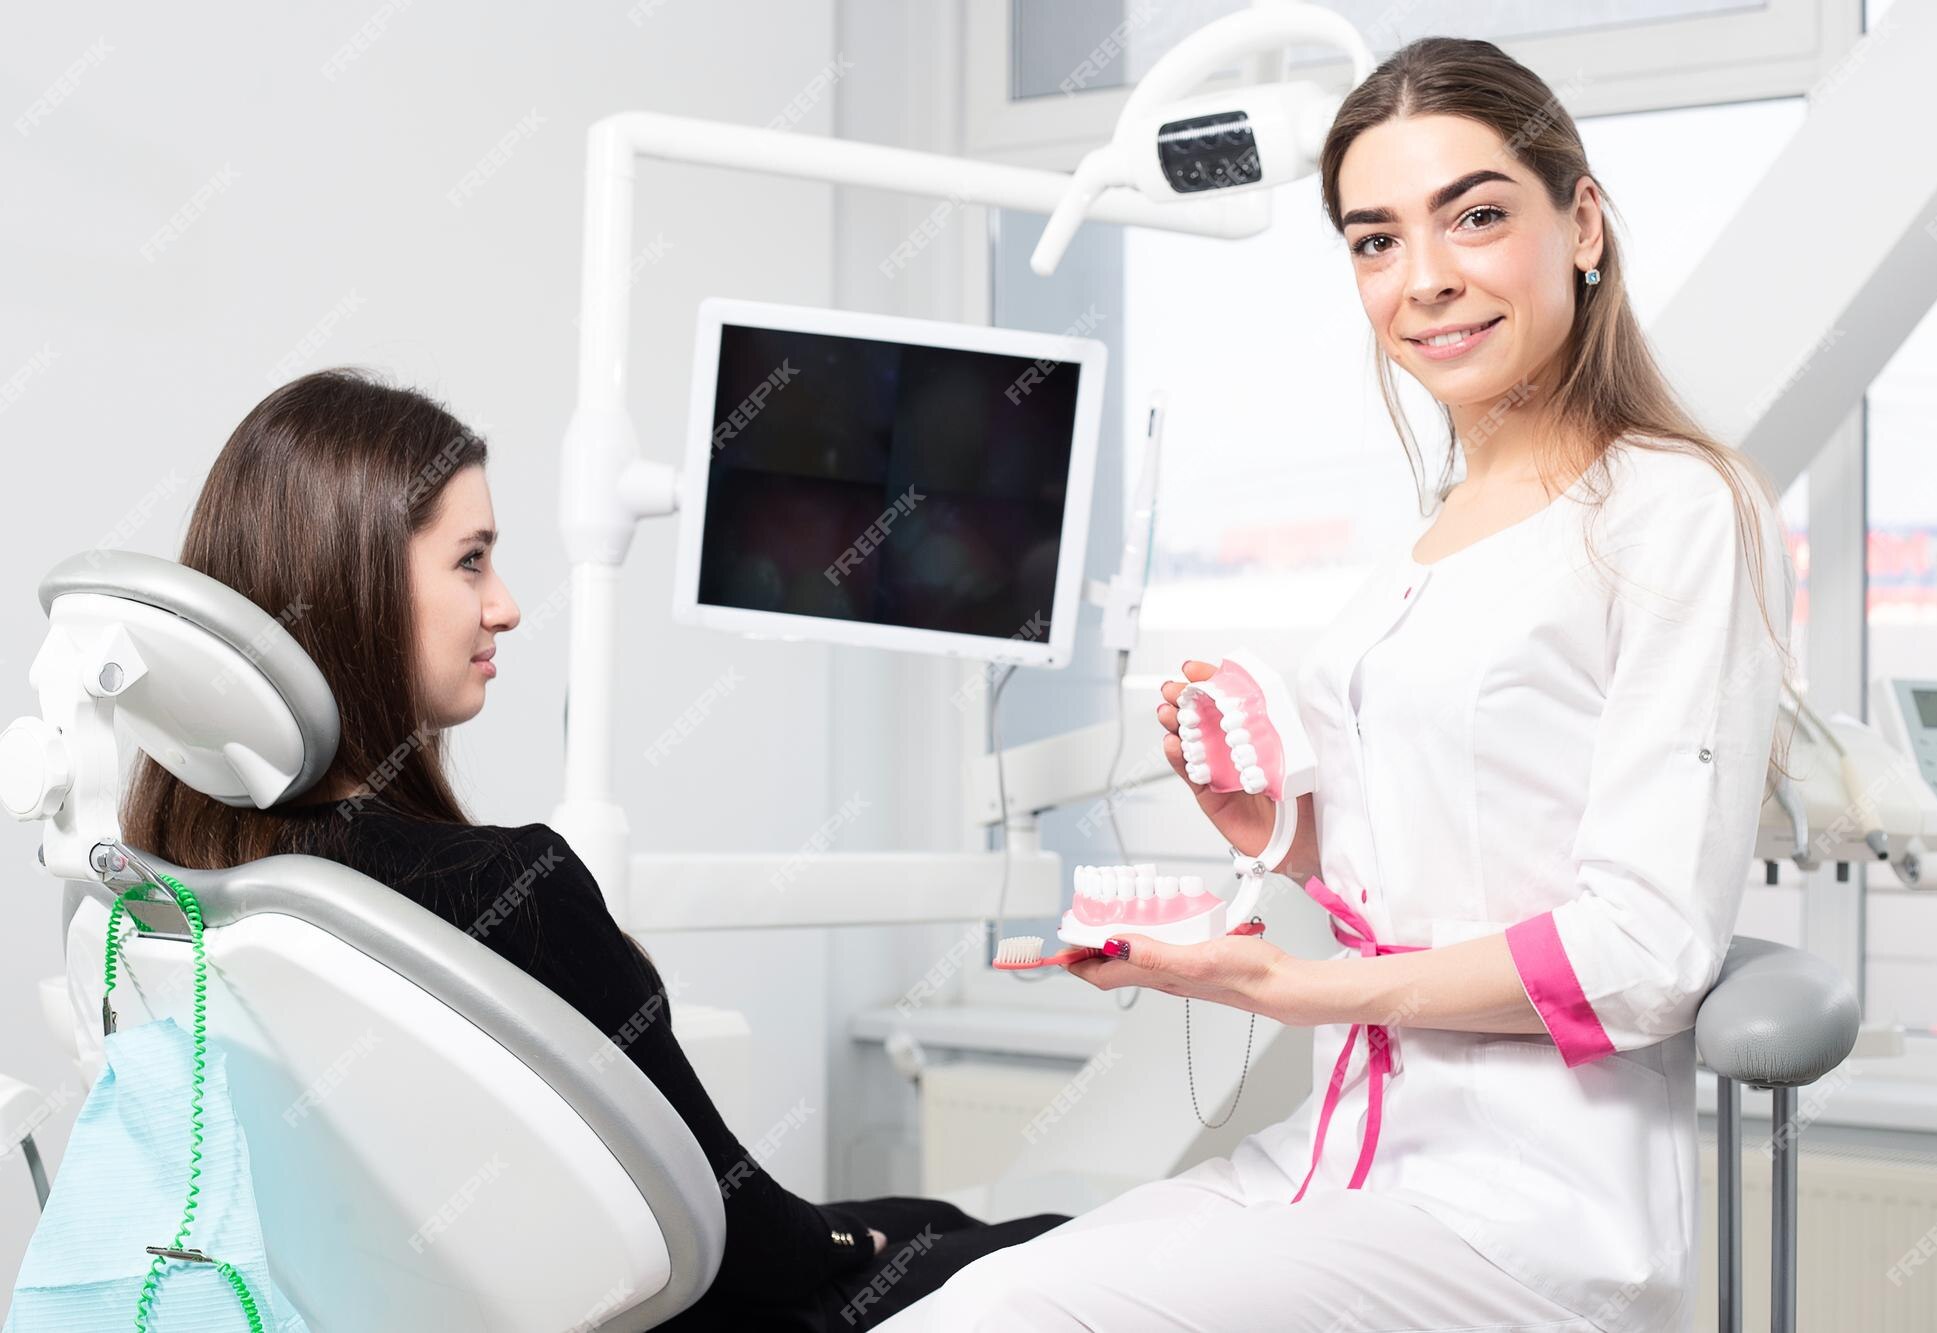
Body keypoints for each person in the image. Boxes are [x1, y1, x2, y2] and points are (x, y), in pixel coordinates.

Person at [881, 36, 1794, 1333]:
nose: (1424, 279)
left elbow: (1644, 952)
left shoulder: (1678, 512)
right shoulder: (1441, 528)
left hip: (1526, 1222)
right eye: (1375, 240)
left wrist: (1304, 990)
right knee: (962, 1296)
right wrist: (1284, 832)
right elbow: (1434, 867)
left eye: (1474, 215)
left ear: (1581, 220)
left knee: (1012, 1318)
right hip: (1341, 1159)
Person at [119, 367, 1065, 1331]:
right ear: (350, 583)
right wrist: (855, 1246)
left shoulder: (186, 885)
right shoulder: (506, 887)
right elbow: (743, 1239)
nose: (507, 606)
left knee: (934, 1218)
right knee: (1056, 1240)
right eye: (472, 560)